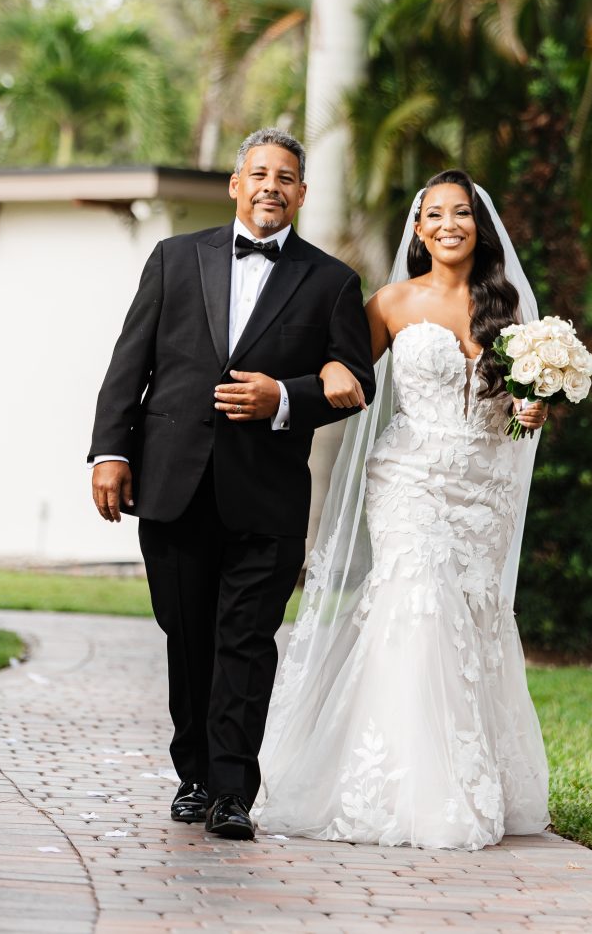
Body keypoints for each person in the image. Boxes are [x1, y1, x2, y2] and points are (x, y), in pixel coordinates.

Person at [88, 128, 375, 841]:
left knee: (247, 639)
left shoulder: (333, 281)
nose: (271, 185)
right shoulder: (174, 258)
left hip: (267, 495)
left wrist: (283, 396)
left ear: (301, 194)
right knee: (186, 637)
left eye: (286, 176)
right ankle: (192, 774)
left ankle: (231, 789)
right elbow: (132, 364)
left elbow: (354, 379)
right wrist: (108, 453)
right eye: (259, 173)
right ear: (235, 183)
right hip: (173, 483)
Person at [258, 169, 550, 850]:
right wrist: (299, 386)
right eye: (435, 214)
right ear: (418, 231)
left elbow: (519, 421)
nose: (449, 224)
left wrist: (531, 412)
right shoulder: (389, 301)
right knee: (419, 606)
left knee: (470, 618)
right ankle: (410, 789)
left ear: (480, 227)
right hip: (410, 477)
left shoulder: (509, 312)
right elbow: (346, 371)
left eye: (462, 213)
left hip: (485, 488)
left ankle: (469, 773)